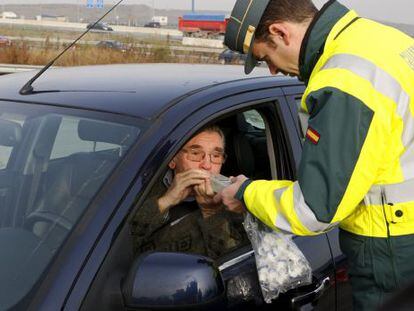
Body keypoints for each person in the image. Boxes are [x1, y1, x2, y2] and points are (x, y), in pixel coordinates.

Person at [221, 0, 414, 310]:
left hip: (390, 249)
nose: (272, 70)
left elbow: (313, 210)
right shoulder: (384, 41)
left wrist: (245, 191)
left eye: (264, 57)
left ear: (279, 32)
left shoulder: (345, 78)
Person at [130, 125, 247, 260]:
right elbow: (118, 247)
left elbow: (232, 265)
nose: (207, 165)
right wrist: (165, 201)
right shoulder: (138, 189)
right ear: (173, 160)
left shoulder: (234, 202)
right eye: (195, 154)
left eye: (216, 156)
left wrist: (211, 214)